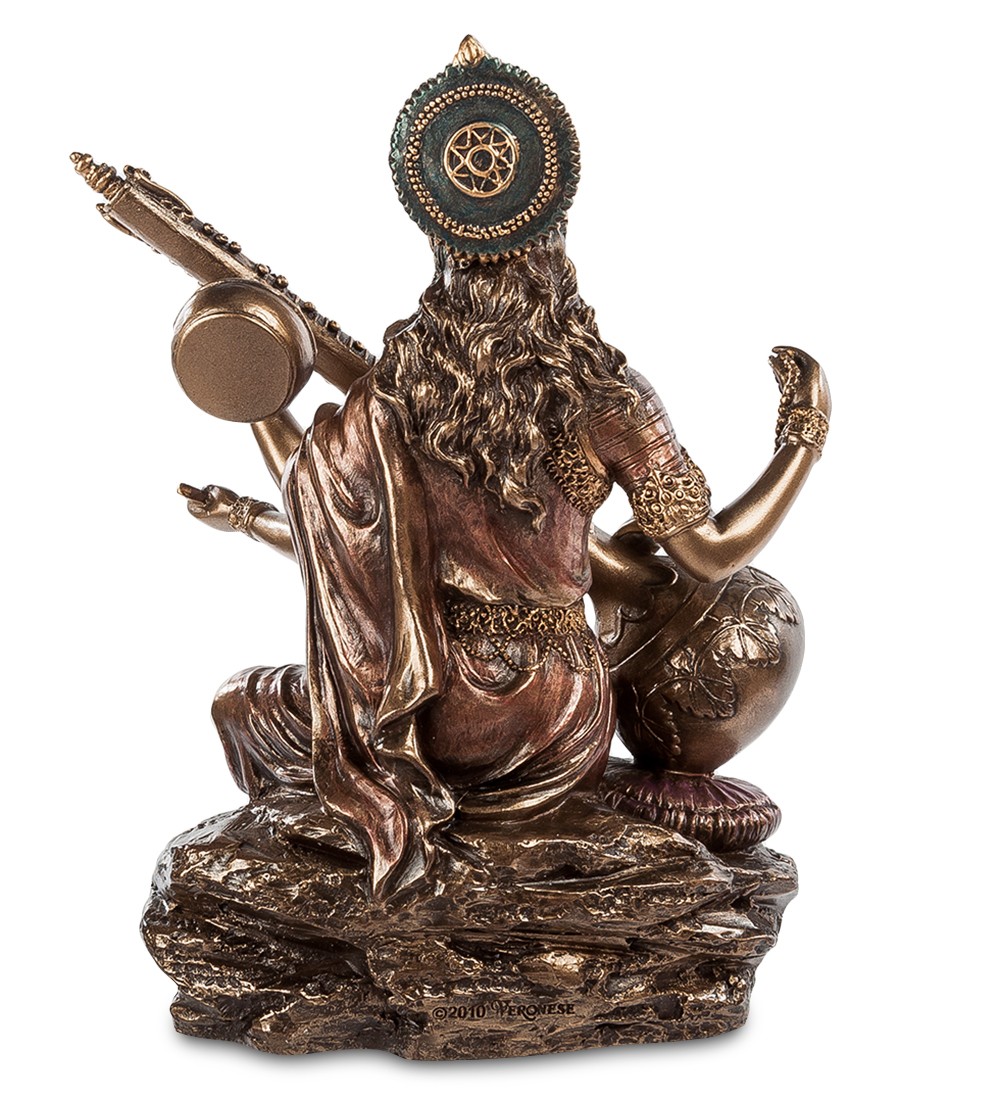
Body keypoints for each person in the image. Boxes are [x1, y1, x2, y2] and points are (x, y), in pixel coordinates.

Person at [182, 41, 829, 897]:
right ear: (557, 240)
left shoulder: (403, 386)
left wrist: (259, 401)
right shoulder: (612, 397)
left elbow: (337, 528)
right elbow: (711, 556)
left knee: (247, 705)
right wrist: (803, 437)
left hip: (428, 701)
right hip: (564, 713)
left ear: (440, 247)